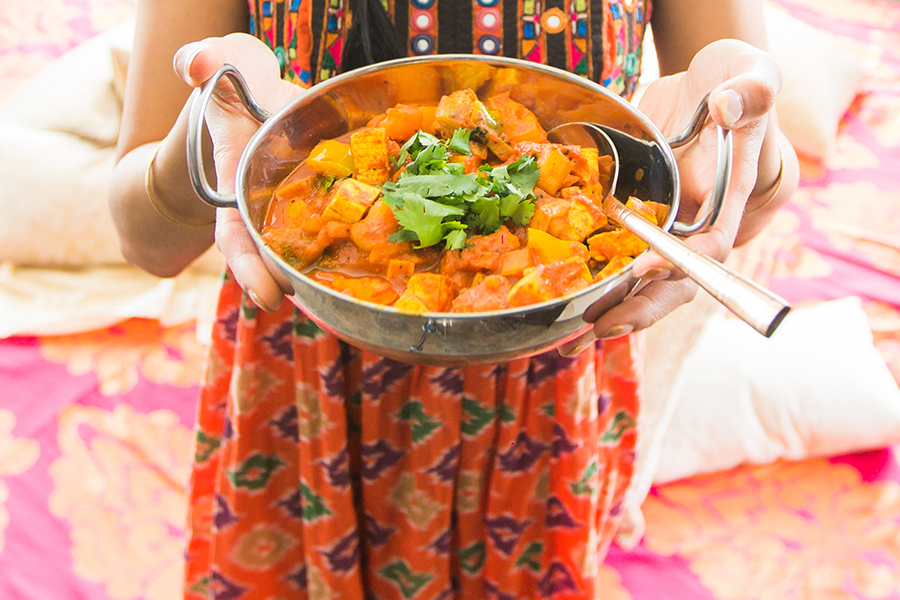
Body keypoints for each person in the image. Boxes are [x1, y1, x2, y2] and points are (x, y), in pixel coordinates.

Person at [109, 0, 798, 597]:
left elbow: (740, 187)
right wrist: (207, 133)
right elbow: (146, 242)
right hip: (302, 377)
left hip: (557, 367)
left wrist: (752, 155)